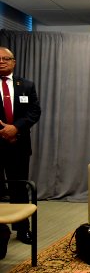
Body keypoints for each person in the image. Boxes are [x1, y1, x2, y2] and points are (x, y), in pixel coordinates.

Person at [0, 47, 41, 252]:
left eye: (6, 59)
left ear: (14, 62)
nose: (2, 62)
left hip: (19, 144)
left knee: (19, 187)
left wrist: (15, 128)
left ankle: (23, 229)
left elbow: (35, 111)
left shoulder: (26, 85)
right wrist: (3, 130)